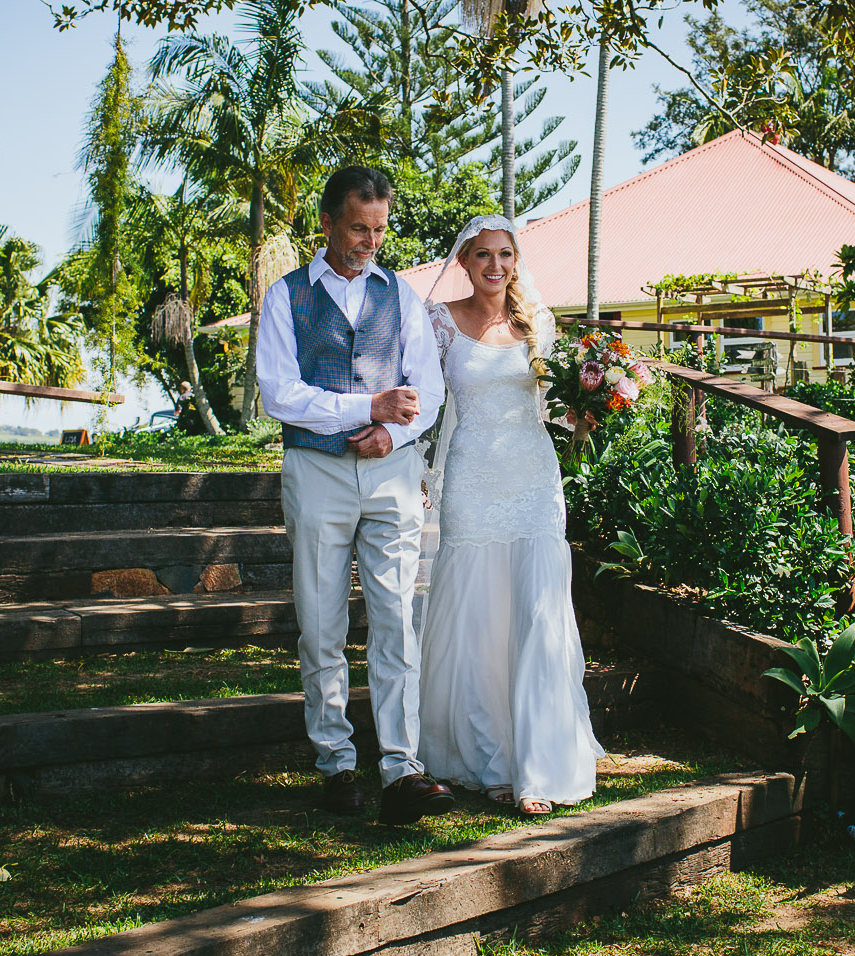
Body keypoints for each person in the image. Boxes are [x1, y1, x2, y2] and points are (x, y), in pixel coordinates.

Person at [256, 165, 456, 825]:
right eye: (357, 228)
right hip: (317, 471)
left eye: (378, 229)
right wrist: (366, 407)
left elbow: (427, 392)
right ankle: (336, 764)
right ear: (327, 223)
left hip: (392, 472)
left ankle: (402, 769)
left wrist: (393, 434)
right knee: (322, 624)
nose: (370, 241)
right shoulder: (286, 296)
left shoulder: (402, 296)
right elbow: (280, 394)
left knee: (396, 618)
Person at [419, 217, 603, 818]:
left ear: (516, 261)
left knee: (537, 615)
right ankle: (489, 760)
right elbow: (422, 400)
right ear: (465, 262)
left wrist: (587, 412)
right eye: (482, 255)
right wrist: (414, 466)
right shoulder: (439, 322)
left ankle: (539, 764)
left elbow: (557, 406)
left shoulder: (537, 325)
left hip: (532, 480)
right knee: (478, 622)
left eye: (504, 255)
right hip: (472, 480)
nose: (494, 266)